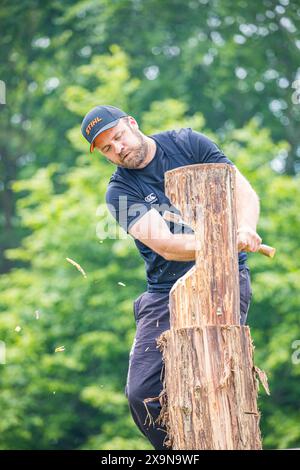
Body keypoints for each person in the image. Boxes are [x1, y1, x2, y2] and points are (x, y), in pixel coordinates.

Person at [81, 105, 262, 450]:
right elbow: (166, 245)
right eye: (106, 148)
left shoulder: (187, 143)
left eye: (117, 137)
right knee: (142, 393)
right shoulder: (119, 192)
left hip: (225, 276)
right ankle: (180, 451)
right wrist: (223, 238)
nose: (117, 149)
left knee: (214, 376)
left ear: (131, 124)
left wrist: (246, 226)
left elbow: (243, 191)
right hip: (165, 292)